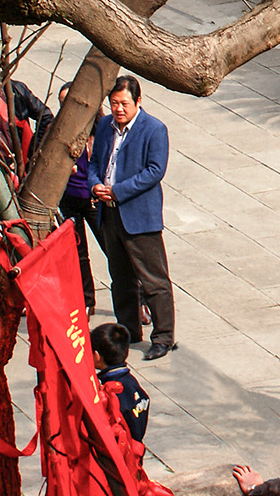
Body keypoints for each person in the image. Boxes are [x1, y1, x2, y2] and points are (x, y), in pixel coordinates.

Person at [90, 76, 177, 360]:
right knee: (121, 279)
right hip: (109, 215)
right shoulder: (104, 126)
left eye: (124, 103)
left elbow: (154, 171)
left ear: (138, 101)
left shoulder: (154, 129)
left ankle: (163, 337)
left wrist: (117, 191)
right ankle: (127, 333)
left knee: (153, 280)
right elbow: (94, 163)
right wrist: (95, 186)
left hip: (138, 215)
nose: (118, 109)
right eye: (113, 103)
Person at [51, 82, 100, 315]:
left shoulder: (102, 129)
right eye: (62, 103)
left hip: (94, 198)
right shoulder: (56, 130)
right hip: (68, 198)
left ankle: (138, 299)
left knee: (113, 248)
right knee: (79, 254)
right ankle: (86, 300)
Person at [91, 323, 150, 443]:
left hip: (119, 453)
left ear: (97, 356)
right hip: (134, 447)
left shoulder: (109, 390)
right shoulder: (130, 381)